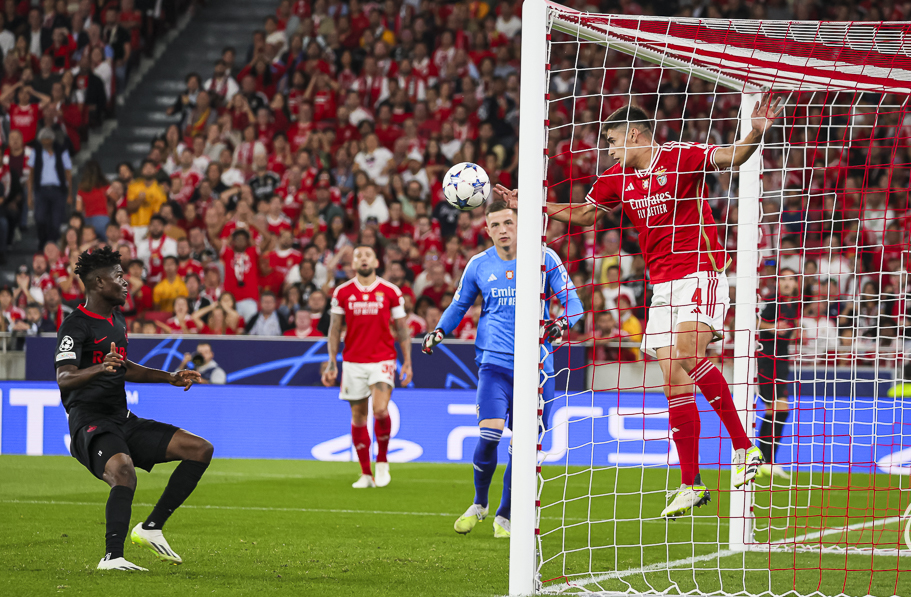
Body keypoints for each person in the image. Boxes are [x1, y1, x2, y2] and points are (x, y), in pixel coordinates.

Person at [544, 102, 783, 518]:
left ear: (635, 134)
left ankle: (746, 450)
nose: (611, 151)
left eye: (614, 141)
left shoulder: (680, 155)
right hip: (661, 287)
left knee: (690, 357)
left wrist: (756, 131)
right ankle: (691, 482)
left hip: (700, 273)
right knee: (672, 377)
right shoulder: (615, 178)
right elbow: (584, 215)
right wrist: (533, 207)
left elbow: (733, 156)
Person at [421, 197, 582, 538]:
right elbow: (459, 303)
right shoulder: (479, 264)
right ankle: (479, 503)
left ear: (520, 224)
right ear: (487, 230)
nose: (503, 230)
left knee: (522, 448)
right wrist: (439, 331)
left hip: (537, 368)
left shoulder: (544, 258)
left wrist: (562, 323)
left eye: (508, 222)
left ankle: (504, 515)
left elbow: (573, 301)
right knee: (489, 434)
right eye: (495, 225)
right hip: (493, 364)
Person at [54, 246, 211, 571]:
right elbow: (64, 377)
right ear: (99, 282)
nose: (127, 283)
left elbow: (124, 367)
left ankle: (151, 528)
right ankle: (112, 557)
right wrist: (99, 368)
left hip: (122, 419)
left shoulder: (116, 320)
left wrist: (168, 376)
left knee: (200, 449)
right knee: (123, 471)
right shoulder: (75, 325)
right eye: (120, 277)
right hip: (89, 422)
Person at [321, 245, 414, 489]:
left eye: (368, 255)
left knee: (381, 410)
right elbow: (334, 330)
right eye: (358, 256)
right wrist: (332, 361)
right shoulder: (342, 292)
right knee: (358, 417)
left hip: (383, 359)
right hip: (353, 361)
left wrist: (408, 362)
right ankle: (365, 474)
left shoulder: (390, 291)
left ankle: (382, 461)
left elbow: (403, 329)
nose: (363, 259)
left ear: (376, 261)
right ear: (353, 264)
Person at [756, 268, 799, 480]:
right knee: (778, 409)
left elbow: (789, 328)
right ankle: (764, 460)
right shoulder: (773, 301)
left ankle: (764, 461)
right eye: (783, 278)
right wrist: (771, 327)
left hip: (782, 361)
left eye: (791, 279)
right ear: (778, 282)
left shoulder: (792, 306)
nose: (787, 282)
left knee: (778, 410)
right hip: (768, 361)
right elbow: (754, 320)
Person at [29, 127, 73, 249]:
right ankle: (42, 242)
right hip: (41, 190)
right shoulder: (36, 152)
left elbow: (68, 173)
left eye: (47, 139)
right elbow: (31, 174)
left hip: (58, 190)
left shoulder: (62, 151)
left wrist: (69, 194)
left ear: (52, 140)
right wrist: (29, 195)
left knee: (56, 220)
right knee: (39, 217)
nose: (45, 142)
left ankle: (52, 244)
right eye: (42, 140)